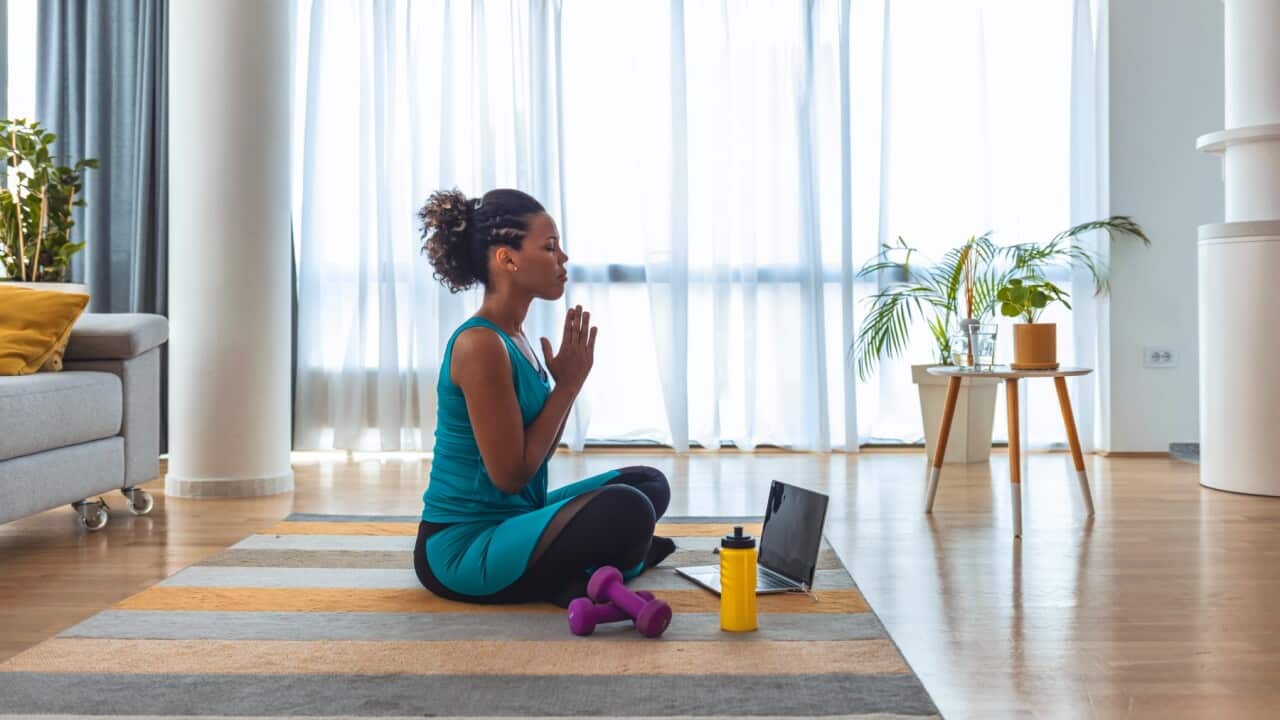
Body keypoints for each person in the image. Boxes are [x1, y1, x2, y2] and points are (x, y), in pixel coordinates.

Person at [412, 188, 675, 606]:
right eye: (550, 247)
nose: (563, 258)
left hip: (516, 517)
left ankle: (587, 567)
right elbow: (511, 476)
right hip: (463, 547)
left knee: (648, 484)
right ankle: (593, 568)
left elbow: (536, 456)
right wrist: (567, 387)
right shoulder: (480, 345)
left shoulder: (516, 338)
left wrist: (569, 384)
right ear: (507, 259)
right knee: (629, 509)